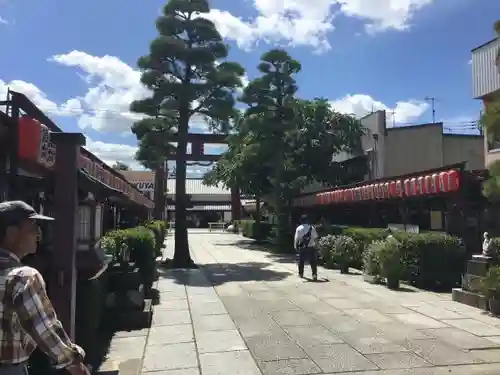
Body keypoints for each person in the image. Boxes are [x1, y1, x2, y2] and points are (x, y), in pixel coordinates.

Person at [0, 201, 89, 375]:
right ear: (11, 234)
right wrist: (74, 362)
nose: (38, 235)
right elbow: (45, 330)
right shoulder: (22, 277)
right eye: (32, 229)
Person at [294, 215, 319, 281]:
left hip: (302, 247)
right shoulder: (312, 228)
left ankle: (301, 274)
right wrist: (316, 246)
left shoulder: (299, 228)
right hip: (311, 247)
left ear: (301, 221)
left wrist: (296, 247)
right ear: (307, 221)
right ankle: (314, 275)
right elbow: (316, 238)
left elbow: (296, 239)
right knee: (313, 262)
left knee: (301, 261)